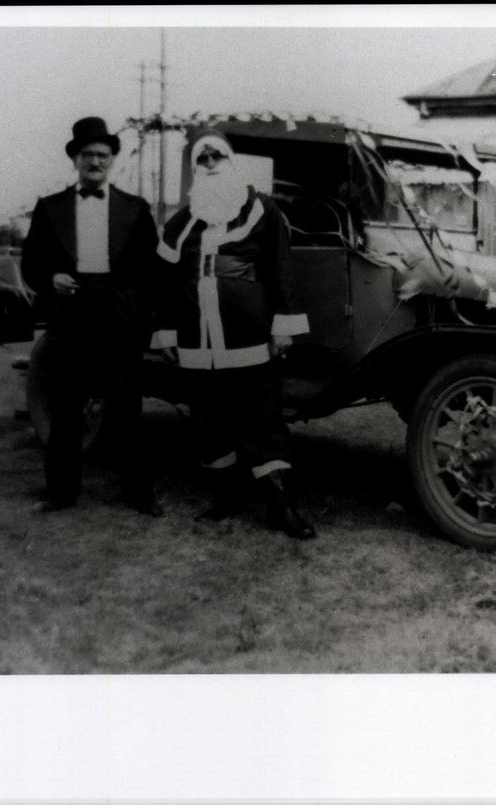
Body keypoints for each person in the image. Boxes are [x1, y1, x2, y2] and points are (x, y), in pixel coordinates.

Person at [151, 128, 316, 539]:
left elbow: (280, 268)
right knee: (210, 420)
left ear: (230, 162)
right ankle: (229, 496)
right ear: (195, 170)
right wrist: (165, 330)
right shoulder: (182, 222)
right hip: (198, 342)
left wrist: (283, 326)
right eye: (201, 160)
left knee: (263, 420)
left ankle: (281, 506)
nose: (210, 165)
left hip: (249, 336)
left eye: (216, 157)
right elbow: (164, 282)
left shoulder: (262, 210)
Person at [21, 116, 163, 515]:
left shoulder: (135, 208)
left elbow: (150, 271)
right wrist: (52, 278)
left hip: (120, 316)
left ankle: (139, 494)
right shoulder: (50, 208)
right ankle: (61, 493)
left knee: (127, 409)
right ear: (75, 160)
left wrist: (142, 319)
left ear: (112, 159)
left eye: (102, 155)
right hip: (71, 314)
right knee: (66, 406)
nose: (95, 162)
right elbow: (31, 264)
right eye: (87, 155)